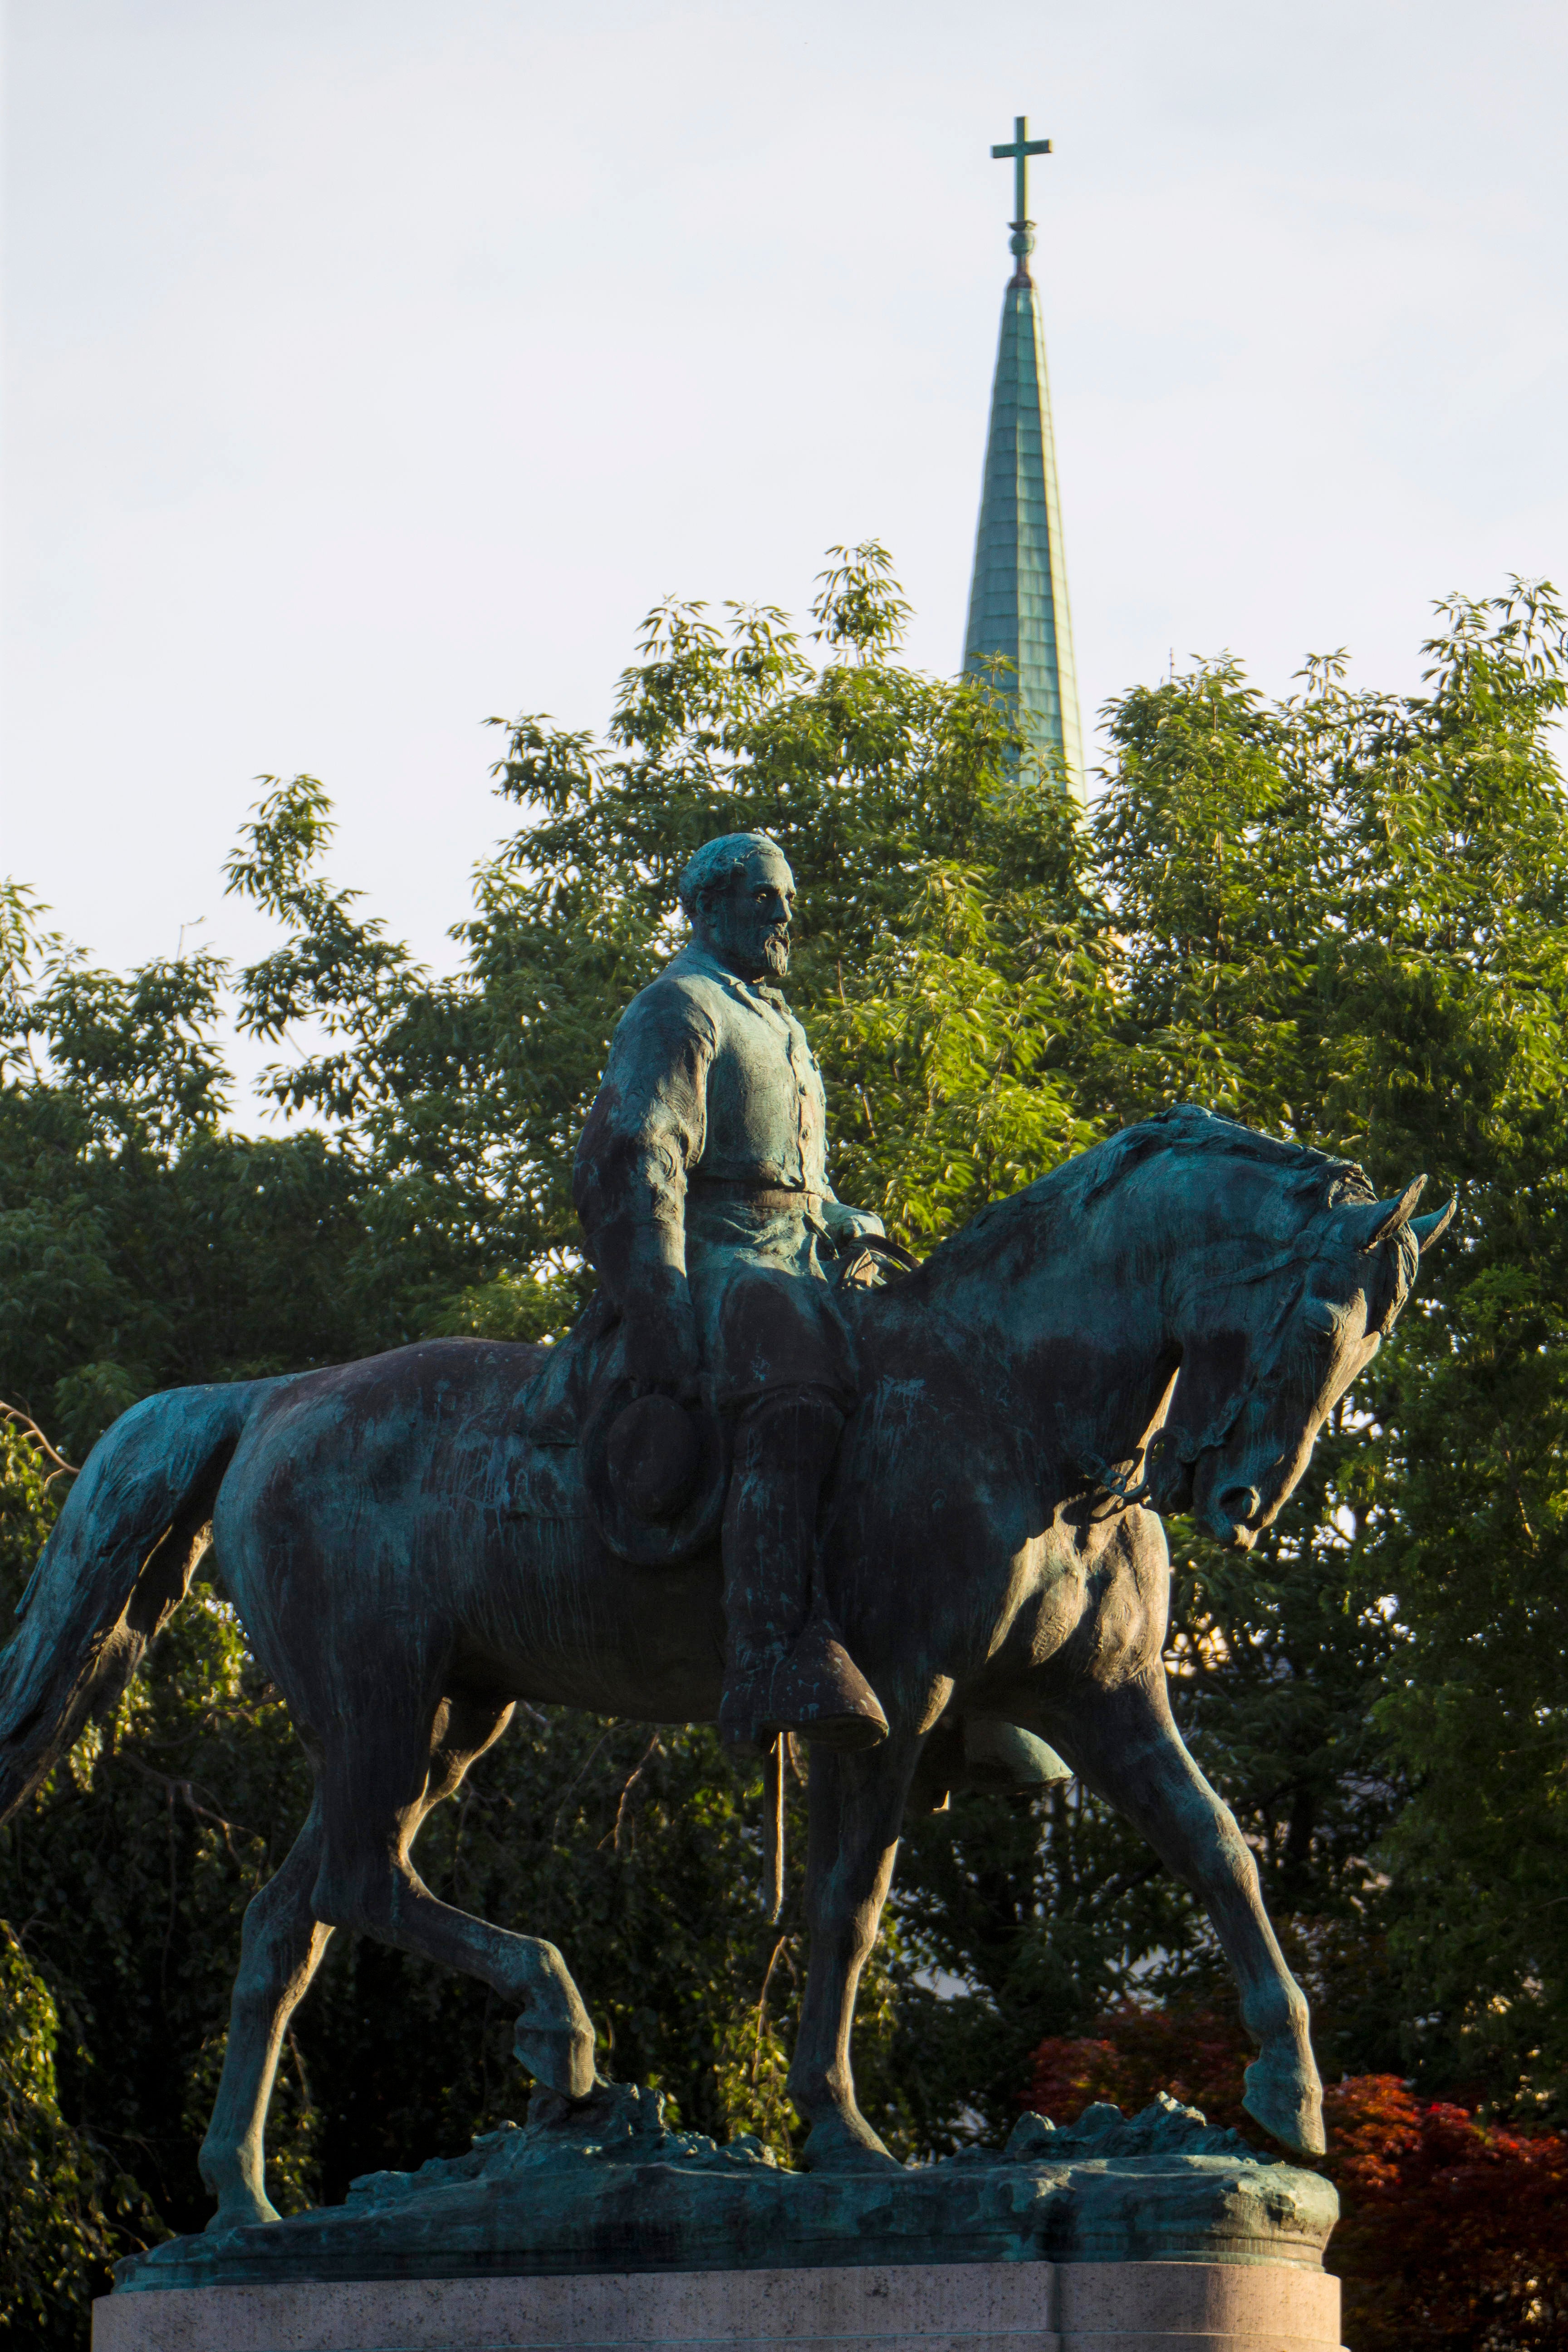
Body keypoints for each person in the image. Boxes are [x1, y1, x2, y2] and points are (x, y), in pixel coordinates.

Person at [572, 831, 889, 1757]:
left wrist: (847, 1219)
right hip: (713, 1258)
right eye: (762, 898)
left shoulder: (779, 1023)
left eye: (786, 898)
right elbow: (643, 1157)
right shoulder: (679, 1006)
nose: (783, 915)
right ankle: (765, 1657)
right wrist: (658, 1304)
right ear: (708, 908)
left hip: (794, 1252)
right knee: (793, 1382)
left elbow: (801, 1178)